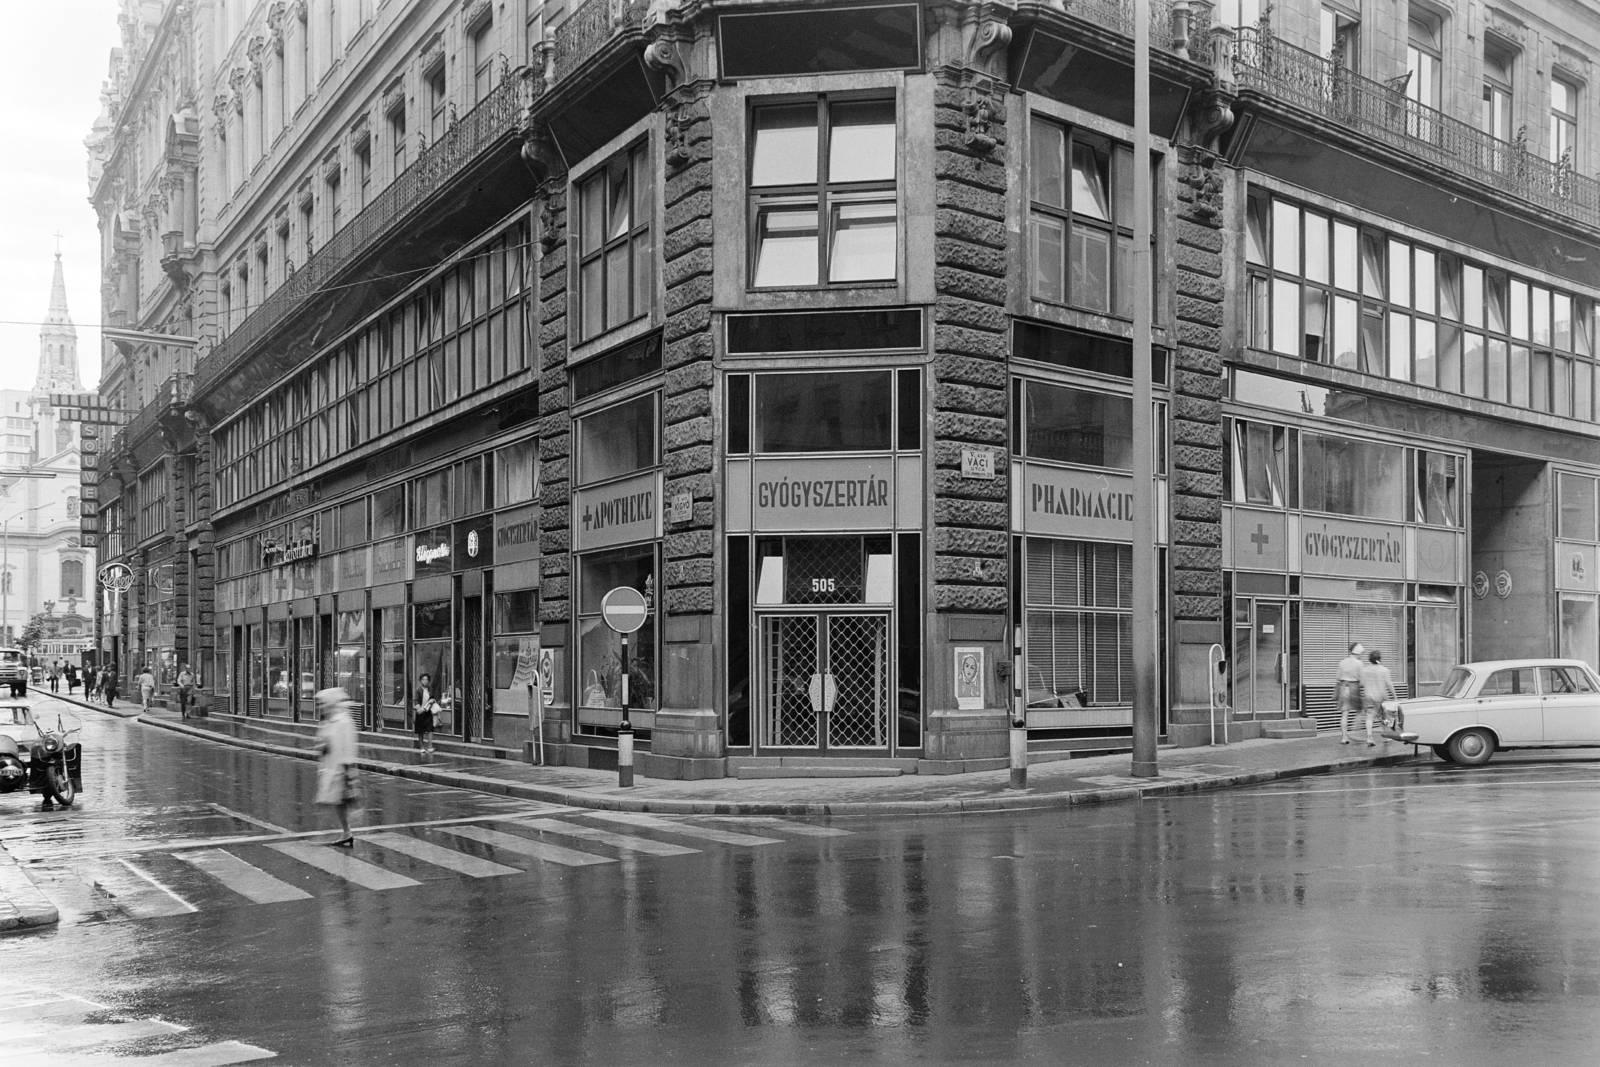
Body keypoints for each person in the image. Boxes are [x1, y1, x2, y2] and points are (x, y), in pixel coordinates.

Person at [314, 687, 361, 847]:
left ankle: (323, 834)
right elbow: (324, 743)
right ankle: (346, 832)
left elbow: (348, 747)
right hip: (330, 766)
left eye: (322, 703)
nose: (320, 707)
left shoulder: (343, 721)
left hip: (341, 768)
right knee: (336, 802)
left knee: (334, 801)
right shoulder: (329, 720)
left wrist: (349, 773)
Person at [1357, 649, 1397, 748]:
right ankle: (1386, 736)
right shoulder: (1385, 670)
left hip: (1369, 696)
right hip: (1382, 696)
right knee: (1384, 717)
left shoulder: (1364, 670)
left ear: (1370, 659)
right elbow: (1389, 684)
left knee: (1369, 716)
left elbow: (1361, 684)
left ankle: (1369, 738)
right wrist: (1395, 696)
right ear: (1379, 659)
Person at [1337, 641, 1365, 745]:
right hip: (1354, 688)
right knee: (1359, 711)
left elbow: (1338, 678)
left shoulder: (1342, 662)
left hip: (1344, 688)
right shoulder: (1359, 663)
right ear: (1357, 653)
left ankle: (1344, 737)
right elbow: (1362, 681)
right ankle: (1355, 732)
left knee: (1344, 713)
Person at [413, 673, 438, 756]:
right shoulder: (418, 690)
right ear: (420, 681)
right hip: (420, 712)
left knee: (430, 729)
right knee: (421, 731)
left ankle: (430, 746)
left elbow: (434, 698)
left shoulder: (430, 689)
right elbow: (416, 700)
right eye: (423, 679)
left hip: (428, 712)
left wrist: (432, 700)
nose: (425, 681)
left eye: (427, 679)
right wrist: (419, 708)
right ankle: (421, 747)